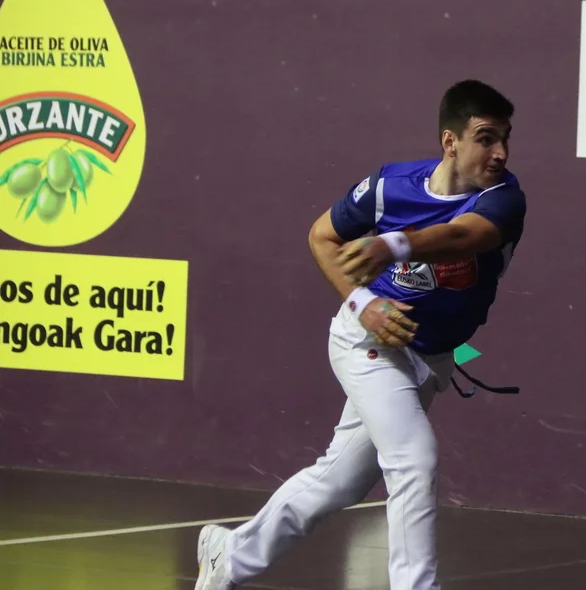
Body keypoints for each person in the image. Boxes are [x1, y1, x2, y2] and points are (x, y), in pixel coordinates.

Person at [193, 79, 526, 590]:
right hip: (368, 342)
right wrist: (362, 302)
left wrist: (393, 245)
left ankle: (229, 555)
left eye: (505, 138)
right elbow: (322, 236)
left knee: (339, 482)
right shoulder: (389, 187)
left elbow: (465, 235)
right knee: (413, 459)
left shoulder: (504, 198)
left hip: (430, 357)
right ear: (450, 141)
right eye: (486, 138)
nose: (500, 152)